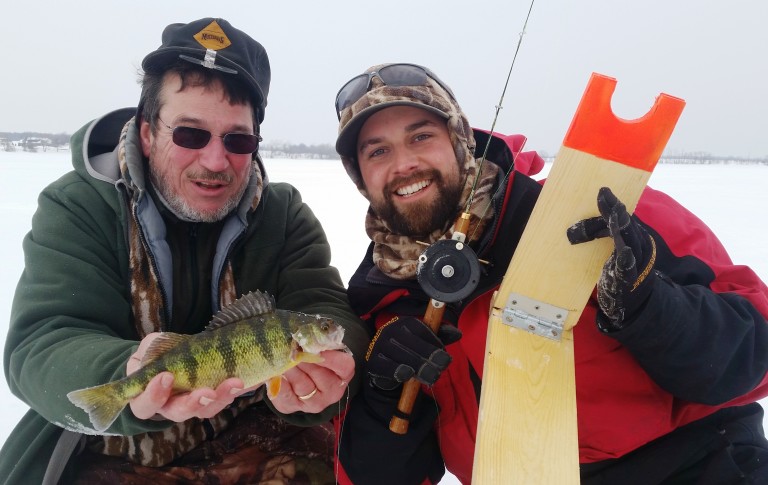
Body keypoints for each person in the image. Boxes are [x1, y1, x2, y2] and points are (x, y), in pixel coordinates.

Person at [332, 62, 768, 484]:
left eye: (421, 136)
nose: (404, 163)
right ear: (360, 176)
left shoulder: (599, 210)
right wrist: (381, 396)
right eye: (378, 151)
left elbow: (756, 355)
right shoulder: (381, 304)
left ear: (460, 140)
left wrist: (651, 308)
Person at [0, 18, 367, 484]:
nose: (215, 161)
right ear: (149, 133)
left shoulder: (284, 213)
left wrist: (329, 377)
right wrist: (129, 375)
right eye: (190, 134)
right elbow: (42, 341)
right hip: (108, 446)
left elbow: (328, 308)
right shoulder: (79, 206)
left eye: (238, 140)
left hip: (252, 438)